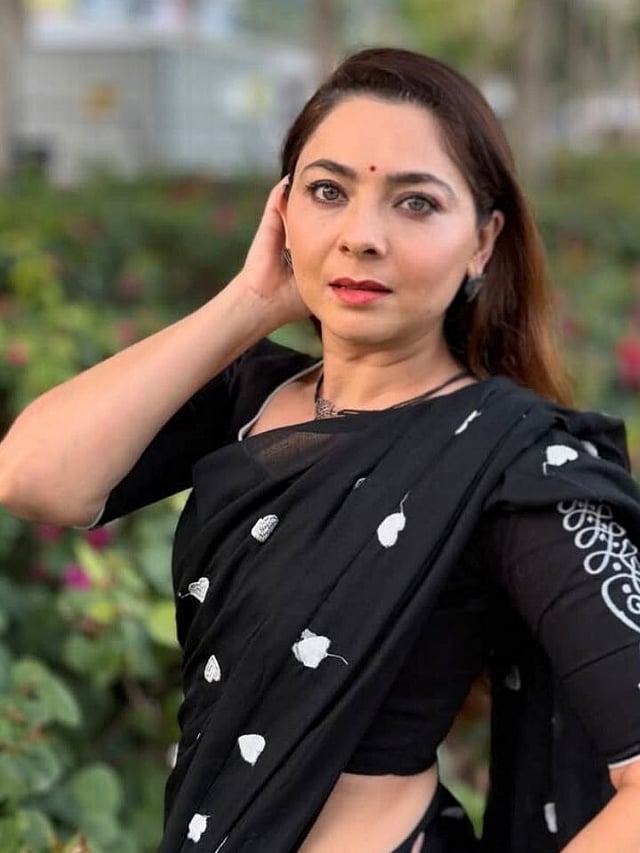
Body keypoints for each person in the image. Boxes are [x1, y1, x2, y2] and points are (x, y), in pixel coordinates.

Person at [1, 46, 640, 853]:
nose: (360, 236)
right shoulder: (249, 398)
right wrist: (248, 303)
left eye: (416, 202)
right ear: (283, 209)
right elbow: (33, 479)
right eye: (328, 192)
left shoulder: (512, 462)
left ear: (483, 241)